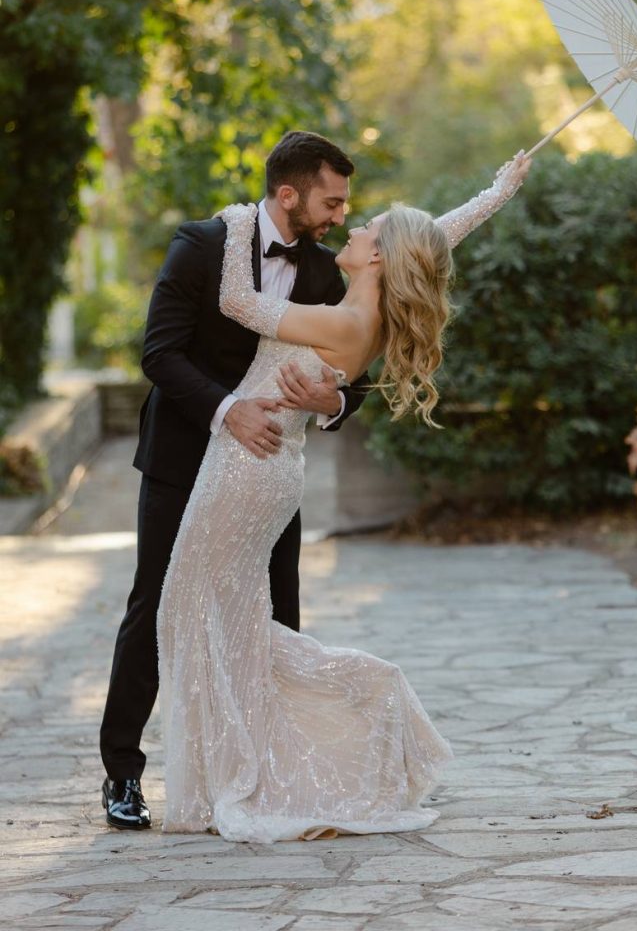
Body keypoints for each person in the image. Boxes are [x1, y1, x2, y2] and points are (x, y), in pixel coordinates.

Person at [156, 149, 531, 843]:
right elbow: (431, 237)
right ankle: (233, 772)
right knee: (215, 618)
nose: (355, 227)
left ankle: (356, 701)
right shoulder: (364, 313)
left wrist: (239, 220)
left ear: (378, 258)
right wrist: (496, 192)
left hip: (247, 466)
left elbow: (236, 302)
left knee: (194, 613)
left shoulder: (346, 323)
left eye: (370, 228)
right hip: (265, 466)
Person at [100, 131, 370, 830]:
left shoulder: (324, 273)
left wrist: (332, 402)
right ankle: (122, 772)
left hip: (268, 470)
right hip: (184, 456)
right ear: (289, 193)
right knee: (156, 603)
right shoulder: (202, 245)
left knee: (280, 610)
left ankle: (273, 769)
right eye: (332, 202)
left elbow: (356, 370)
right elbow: (159, 353)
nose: (341, 215)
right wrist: (228, 411)